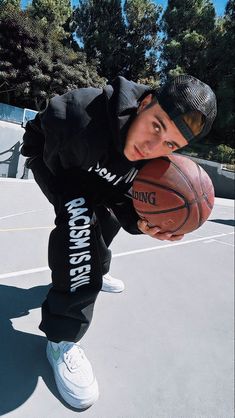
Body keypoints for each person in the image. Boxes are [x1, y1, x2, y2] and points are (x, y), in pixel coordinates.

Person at [21, 75, 217, 409]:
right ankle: (61, 338)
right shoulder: (80, 116)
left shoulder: (151, 158)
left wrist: (142, 222)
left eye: (170, 144)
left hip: (97, 165)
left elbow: (124, 197)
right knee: (80, 225)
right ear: (144, 103)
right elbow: (76, 180)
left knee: (108, 220)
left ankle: (100, 265)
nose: (154, 146)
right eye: (156, 126)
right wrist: (86, 217)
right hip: (57, 157)